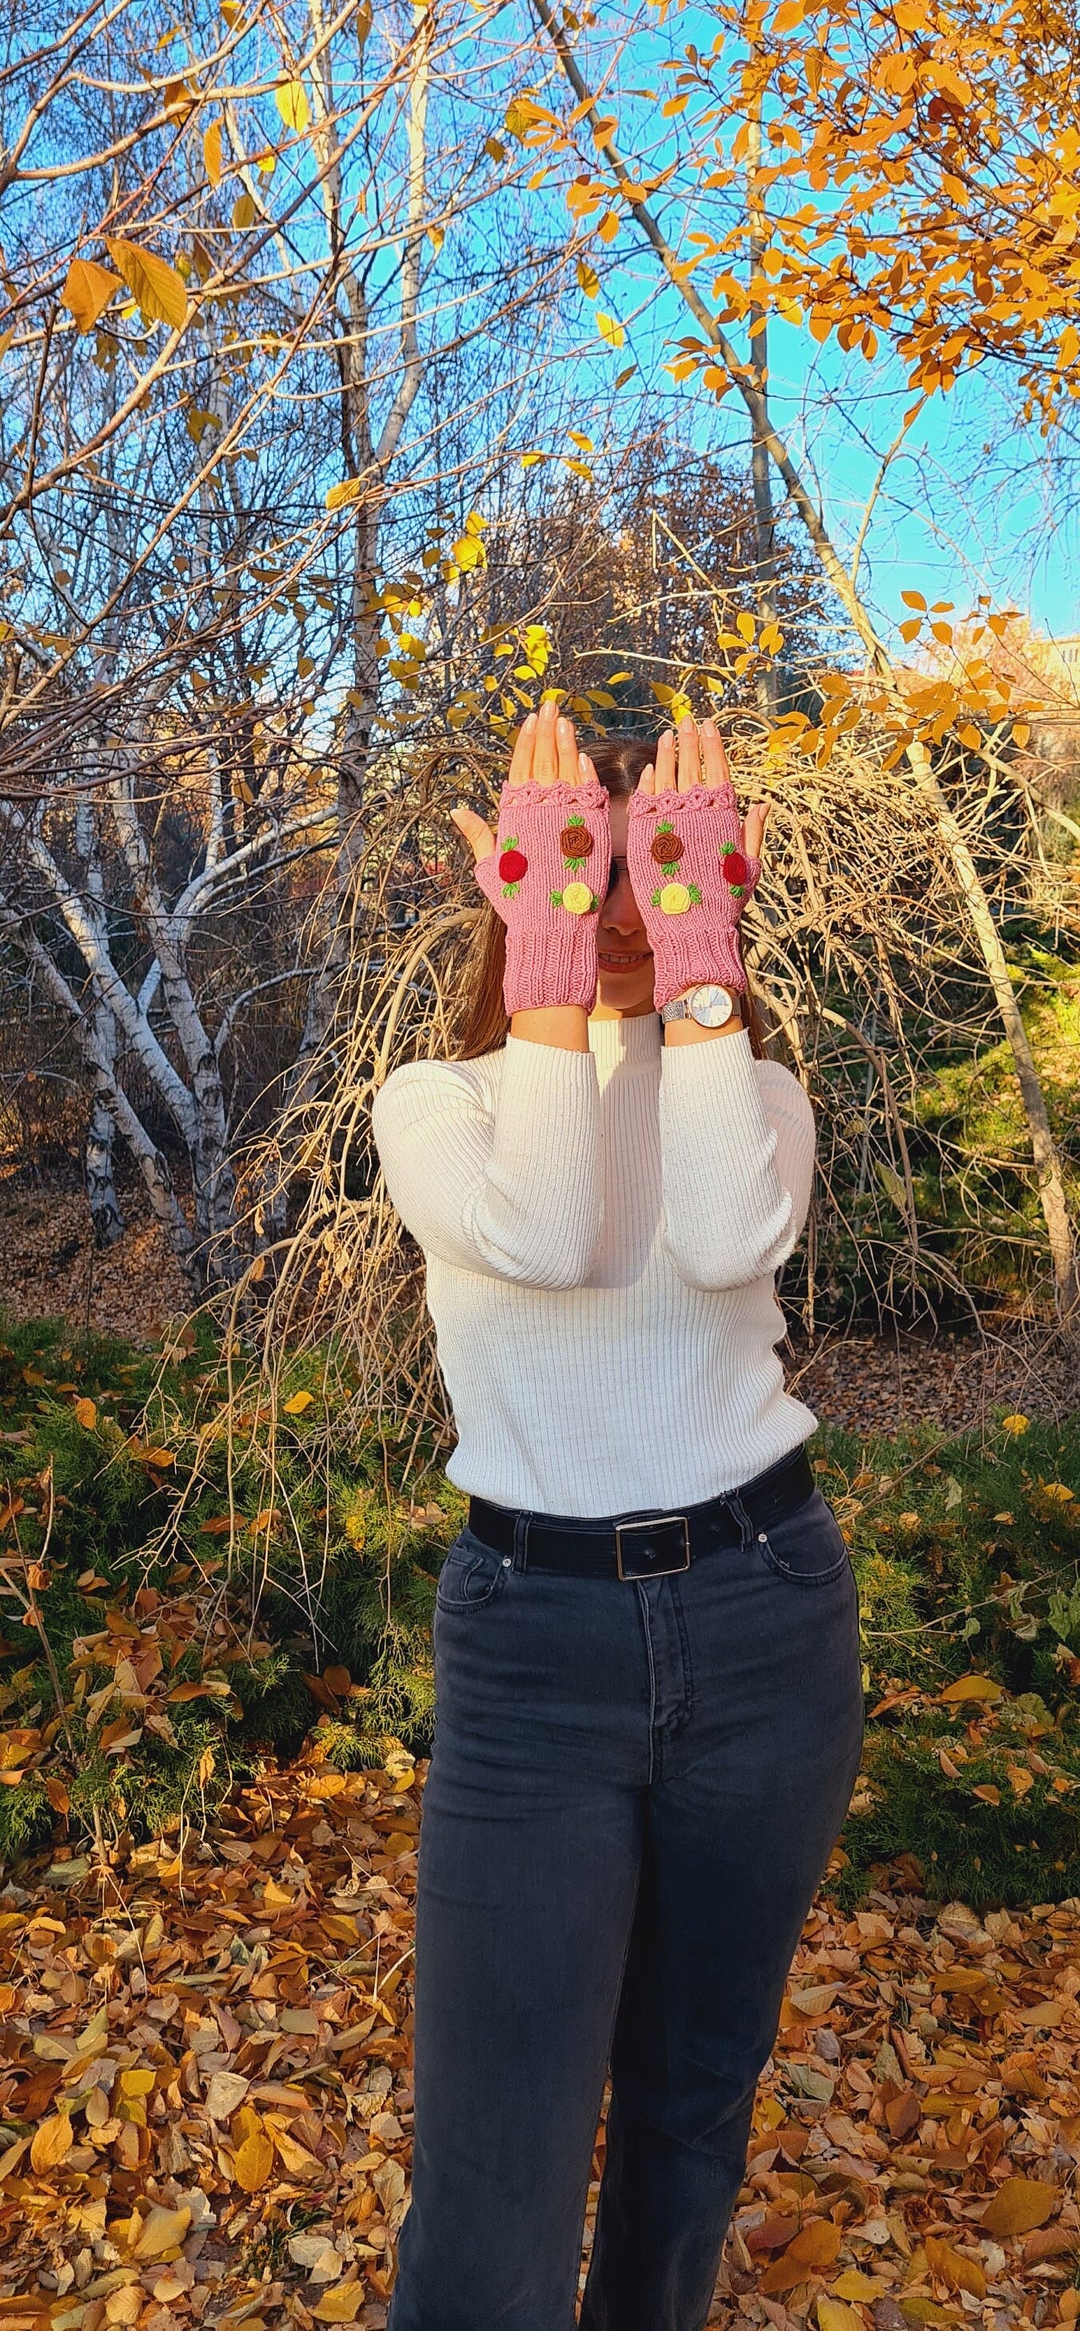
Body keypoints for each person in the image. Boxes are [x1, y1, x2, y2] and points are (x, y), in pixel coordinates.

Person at [371, 700, 864, 2331]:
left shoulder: (759, 1090)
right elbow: (547, 1220)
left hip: (763, 1616)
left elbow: (723, 1236)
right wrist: (554, 973)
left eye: (666, 855)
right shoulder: (437, 1103)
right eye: (587, 854)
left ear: (715, 872)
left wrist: (701, 978)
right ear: (502, 879)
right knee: (496, 2185)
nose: (631, 895)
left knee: (686, 2132)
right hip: (535, 1656)